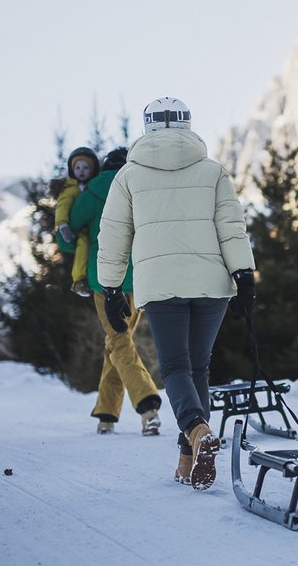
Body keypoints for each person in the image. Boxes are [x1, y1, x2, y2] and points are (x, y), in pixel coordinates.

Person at [97, 96, 256, 490]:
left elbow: (114, 235)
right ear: (187, 124)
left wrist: (112, 288)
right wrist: (245, 275)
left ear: (147, 126)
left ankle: (197, 432)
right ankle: (187, 459)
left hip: (162, 284)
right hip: (212, 283)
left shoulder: (129, 175)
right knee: (198, 365)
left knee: (174, 367)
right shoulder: (213, 171)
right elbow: (232, 227)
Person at [68, 147, 163, 436]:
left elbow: (69, 232)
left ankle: (147, 406)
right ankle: (107, 414)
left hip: (104, 280)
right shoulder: (141, 187)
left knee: (118, 342)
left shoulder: (93, 191)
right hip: (138, 278)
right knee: (117, 341)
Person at [55, 147, 100, 297]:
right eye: (77, 167)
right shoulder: (70, 189)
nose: (81, 171)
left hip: (93, 227)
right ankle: (79, 280)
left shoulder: (94, 187)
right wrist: (63, 225)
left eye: (86, 167)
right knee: (83, 246)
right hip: (80, 231)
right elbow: (62, 206)